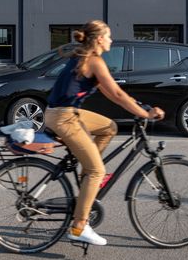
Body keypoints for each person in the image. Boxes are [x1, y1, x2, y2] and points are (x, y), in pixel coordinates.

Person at [44, 20, 164, 246]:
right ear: (99, 39)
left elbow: (112, 93)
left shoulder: (83, 57)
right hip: (64, 116)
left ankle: (86, 176)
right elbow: (118, 95)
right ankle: (79, 226)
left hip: (61, 112)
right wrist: (147, 115)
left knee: (109, 127)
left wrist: (141, 107)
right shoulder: (94, 61)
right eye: (108, 36)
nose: (110, 40)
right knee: (97, 170)